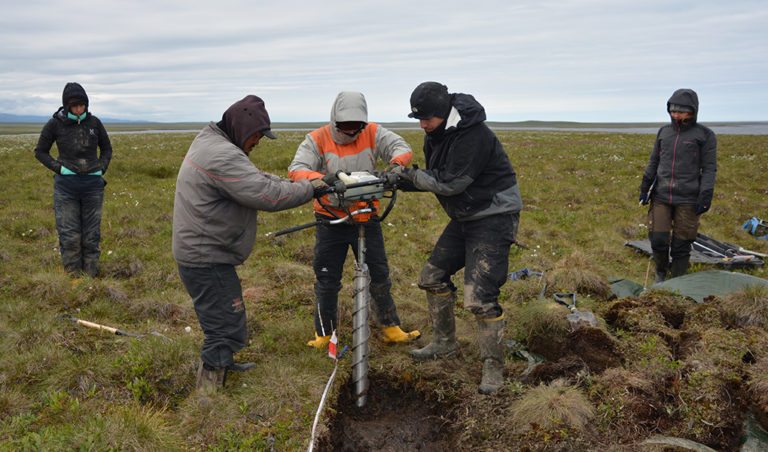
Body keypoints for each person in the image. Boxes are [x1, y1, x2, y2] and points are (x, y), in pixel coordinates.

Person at [173, 95, 315, 390]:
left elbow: (255, 178)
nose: (258, 142)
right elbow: (267, 195)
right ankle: (208, 393)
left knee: (227, 316)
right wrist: (313, 188)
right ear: (242, 128)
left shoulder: (214, 142)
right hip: (205, 257)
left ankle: (223, 366)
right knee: (222, 325)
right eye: (257, 136)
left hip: (205, 252)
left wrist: (293, 184)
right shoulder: (222, 154)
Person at [398, 81, 523, 394]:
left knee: (479, 298)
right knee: (431, 277)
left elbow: (451, 183)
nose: (423, 125)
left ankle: (493, 368)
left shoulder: (474, 136)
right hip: (466, 216)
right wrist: (400, 180)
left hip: (493, 216)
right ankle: (444, 343)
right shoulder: (436, 135)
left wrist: (411, 176)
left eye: (427, 119)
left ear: (443, 112)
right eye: (418, 120)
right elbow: (435, 177)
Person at [288, 91, 420, 348]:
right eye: (345, 128)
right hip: (330, 219)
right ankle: (324, 334)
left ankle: (390, 327)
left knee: (379, 274)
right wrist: (320, 180)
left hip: (366, 215)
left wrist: (395, 167)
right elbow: (297, 168)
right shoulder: (316, 138)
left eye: (356, 128)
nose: (351, 133)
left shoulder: (373, 132)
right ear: (334, 121)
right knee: (327, 279)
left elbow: (401, 147)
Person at [34, 82, 112, 278]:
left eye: (82, 105)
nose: (79, 109)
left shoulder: (95, 123)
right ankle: (73, 279)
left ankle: (91, 277)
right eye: (74, 106)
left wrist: (101, 168)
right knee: (69, 234)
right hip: (66, 188)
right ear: (66, 106)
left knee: (91, 234)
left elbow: (107, 149)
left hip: (93, 187)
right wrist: (60, 168)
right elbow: (40, 152)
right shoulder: (54, 124)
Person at [640, 88, 717, 282]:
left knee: (681, 245)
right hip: (661, 196)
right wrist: (644, 187)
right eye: (673, 110)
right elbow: (653, 162)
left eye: (682, 111)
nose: (676, 115)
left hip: (689, 199)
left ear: (693, 111)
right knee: (658, 240)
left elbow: (709, 169)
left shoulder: (705, 135)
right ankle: (660, 274)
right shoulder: (664, 132)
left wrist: (705, 196)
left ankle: (677, 282)